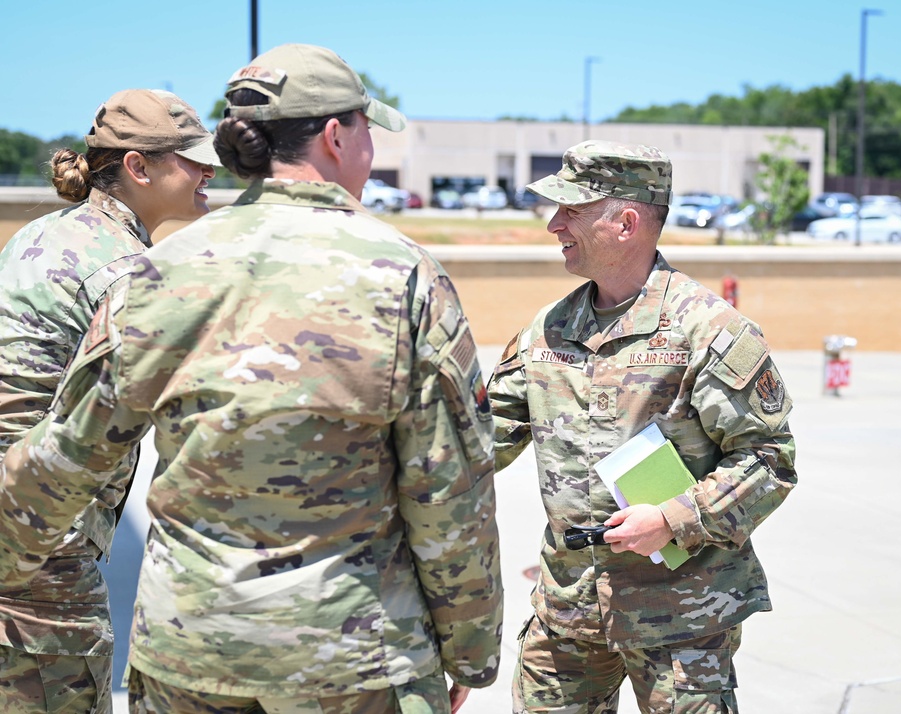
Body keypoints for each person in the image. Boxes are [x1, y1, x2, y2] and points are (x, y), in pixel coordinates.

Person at [0, 43, 502, 714]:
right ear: (334, 136)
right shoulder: (404, 274)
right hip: (355, 667)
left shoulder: (156, 272)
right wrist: (470, 647)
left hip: (188, 661)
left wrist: (7, 558)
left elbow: (69, 449)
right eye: (365, 132)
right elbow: (450, 489)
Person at [488, 140, 797, 713]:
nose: (555, 224)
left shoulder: (709, 330)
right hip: (568, 609)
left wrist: (672, 518)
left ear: (626, 221)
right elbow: (481, 439)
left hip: (682, 616)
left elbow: (768, 461)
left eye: (572, 211)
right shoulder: (548, 329)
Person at [0, 89, 218, 713]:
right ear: (137, 168)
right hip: (42, 557)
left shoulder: (43, 235)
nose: (209, 172)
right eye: (192, 160)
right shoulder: (126, 271)